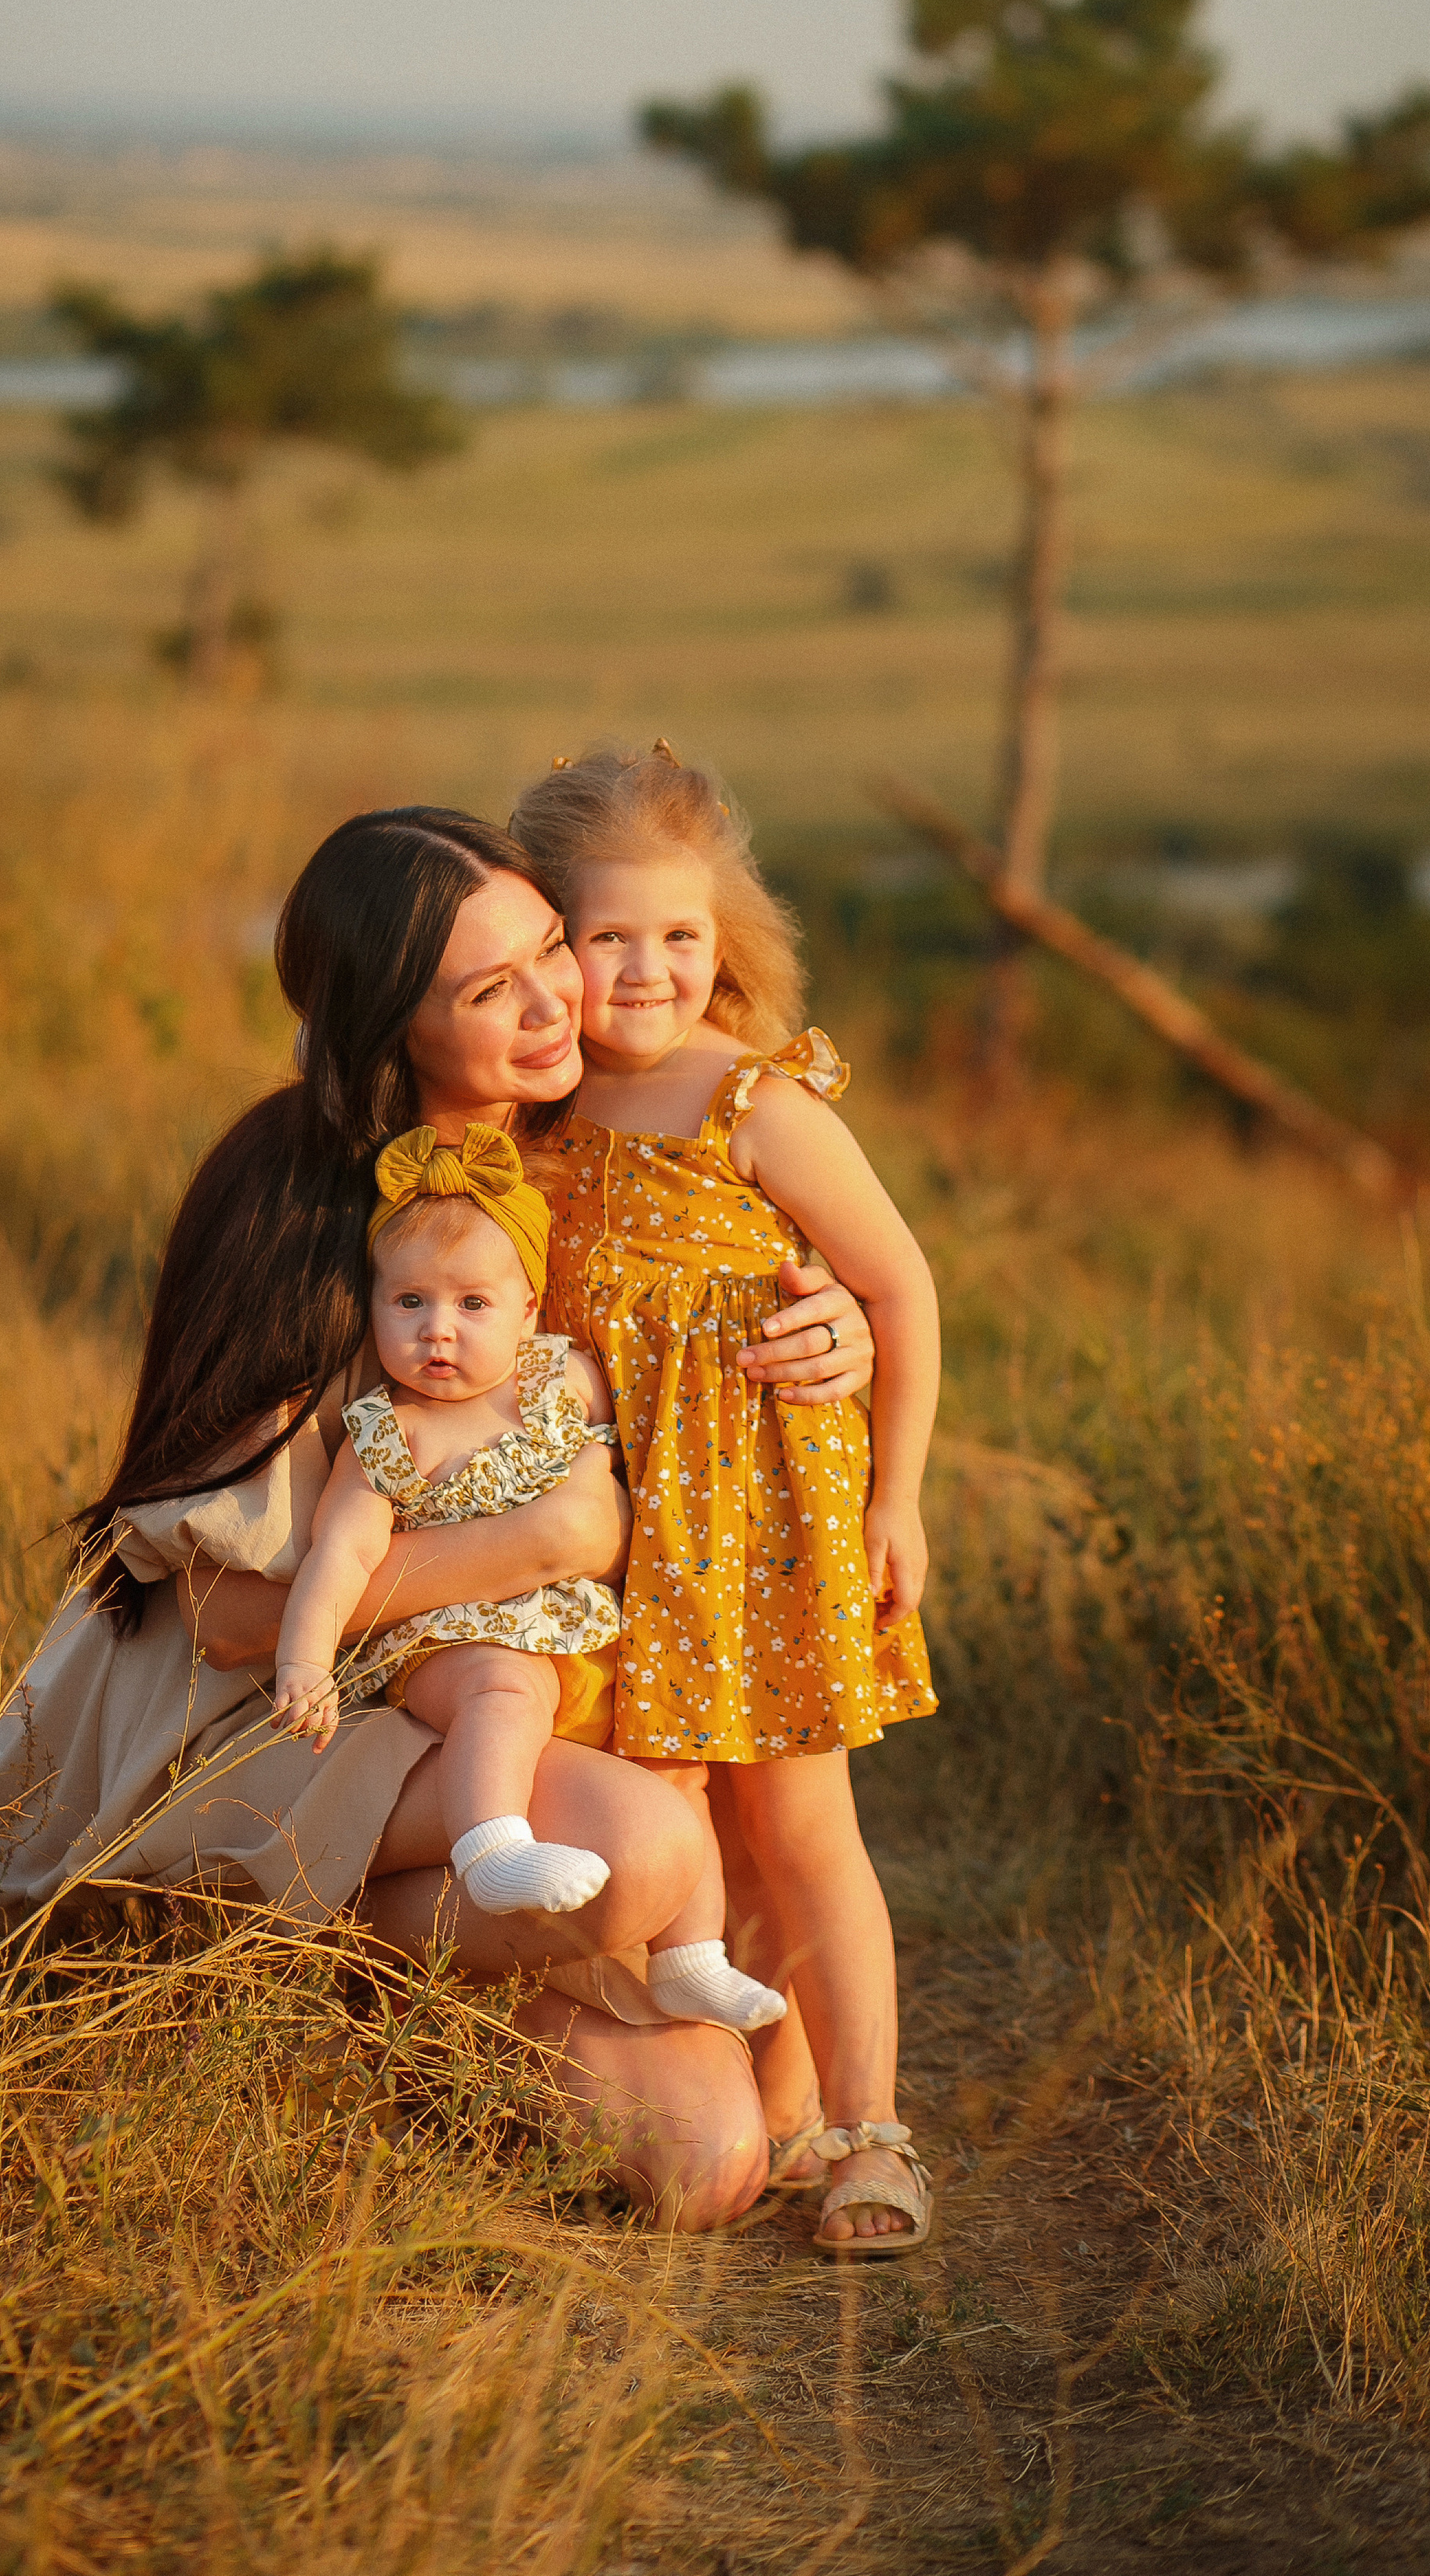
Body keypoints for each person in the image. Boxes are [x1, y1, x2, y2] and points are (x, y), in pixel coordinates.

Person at [0, 802, 873, 2228]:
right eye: (491, 989)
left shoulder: (597, 1147)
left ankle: (376, 1998)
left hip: (489, 1725)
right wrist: (544, 1544)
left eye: (549, 945)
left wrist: (837, 1325)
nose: (556, 995)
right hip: (278, 1716)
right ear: (392, 1029)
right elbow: (235, 1618)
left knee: (709, 2169)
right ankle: (245, 1952)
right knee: (656, 1864)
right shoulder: (294, 1207)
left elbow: (737, 1288)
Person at [511, 744, 942, 2256]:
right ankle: (777, 2100)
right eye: (606, 937)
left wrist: (900, 1497)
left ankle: (875, 2133)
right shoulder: (529, 1118)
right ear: (544, 944)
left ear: (728, 944)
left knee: (801, 1820)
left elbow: (900, 1286)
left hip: (765, 1521)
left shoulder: (754, 1098)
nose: (646, 970)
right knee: (692, 1820)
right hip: (618, 1533)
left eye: (681, 938)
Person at [271, 1120, 786, 2034]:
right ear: (374, 1305)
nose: (438, 1331)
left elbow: (673, 1406)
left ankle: (689, 1957)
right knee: (501, 1691)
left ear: (530, 1309)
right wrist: (305, 1662)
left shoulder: (566, 1378)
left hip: (579, 1636)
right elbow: (341, 1557)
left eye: (472, 1304)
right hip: (453, 1643)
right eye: (409, 1304)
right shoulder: (387, 1433)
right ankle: (490, 1845)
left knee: (672, 1767)